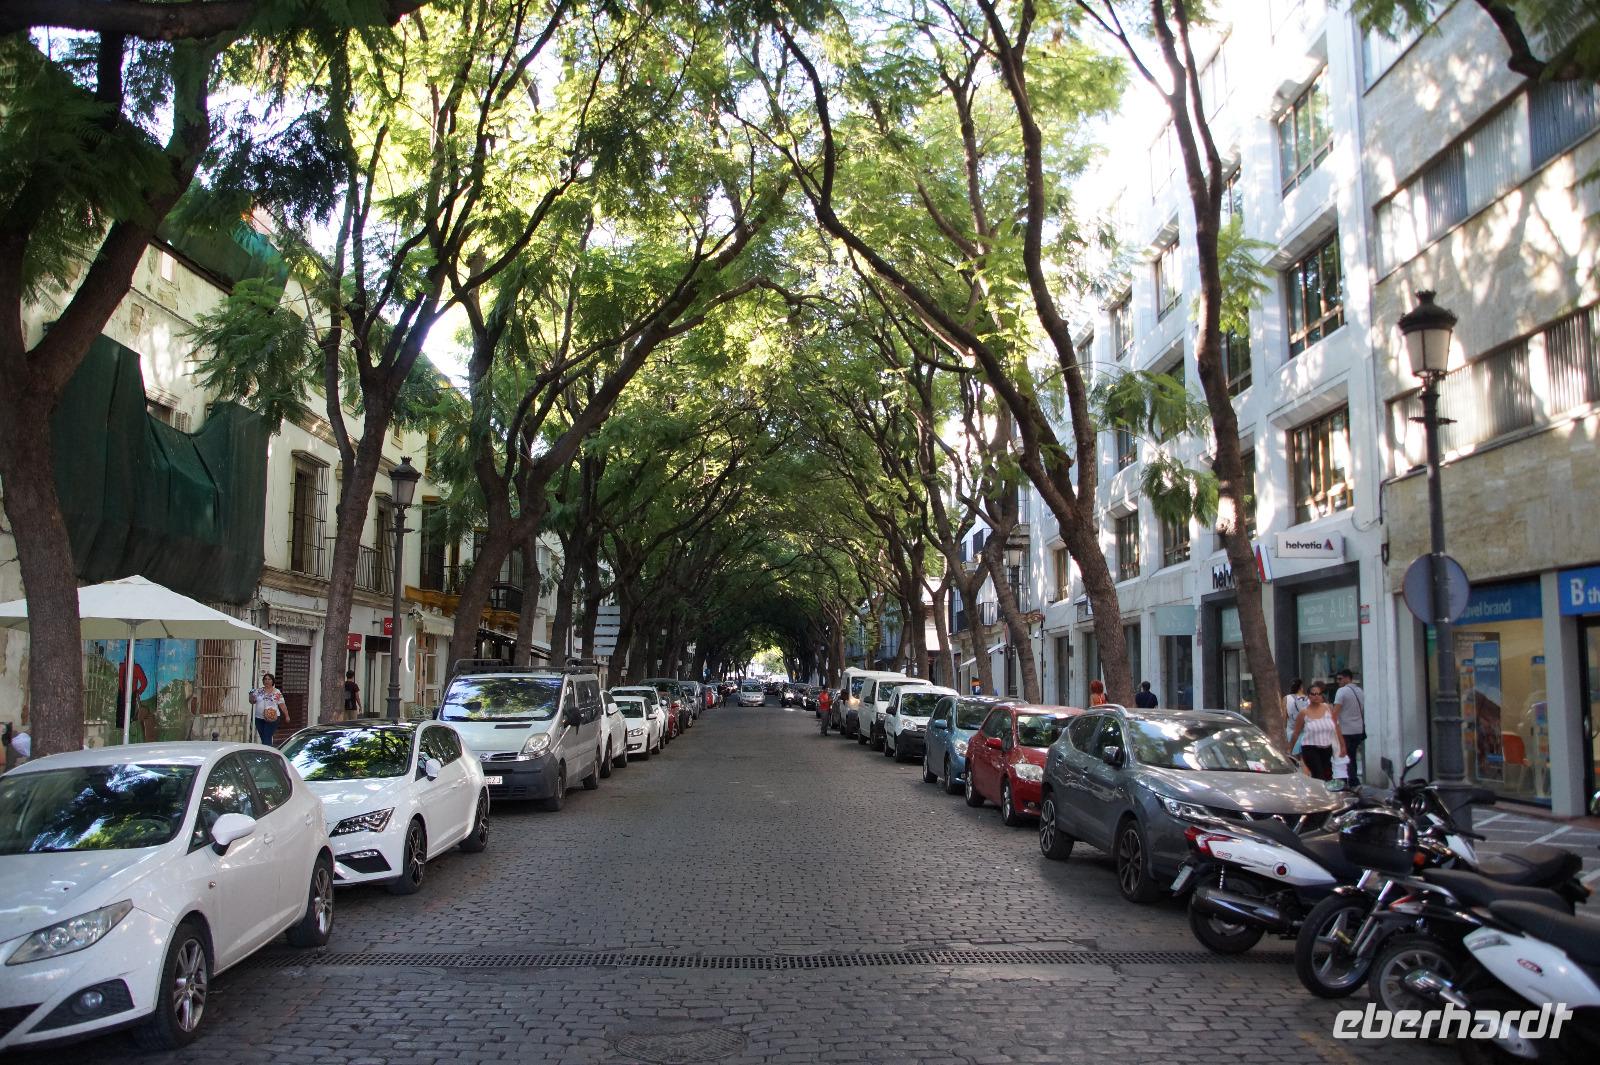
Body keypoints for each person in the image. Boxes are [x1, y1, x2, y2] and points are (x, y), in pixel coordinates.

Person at [1288, 682, 1345, 781]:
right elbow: (1296, 733)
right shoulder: (1304, 712)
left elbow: (1336, 727)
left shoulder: (1328, 708)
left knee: (1328, 776)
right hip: (1310, 748)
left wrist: (1342, 745)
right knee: (1319, 775)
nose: (1316, 696)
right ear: (1308, 696)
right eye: (1313, 694)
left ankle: (1321, 790)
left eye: (1319, 694)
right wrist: (1289, 750)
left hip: (1327, 748)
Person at [1333, 668, 1366, 787]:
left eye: (1340, 679)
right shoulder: (1360, 691)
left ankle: (1353, 781)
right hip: (1358, 730)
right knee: (1351, 756)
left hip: (1345, 730)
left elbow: (1335, 712)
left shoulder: (1342, 691)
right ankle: (1352, 781)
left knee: (1345, 757)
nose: (1338, 681)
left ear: (1347, 678)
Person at [251, 672, 287, 746]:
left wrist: (287, 715)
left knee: (267, 736)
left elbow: (282, 704)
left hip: (272, 718)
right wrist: (251, 696)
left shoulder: (277, 692)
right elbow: (252, 702)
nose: (267, 681)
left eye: (269, 679)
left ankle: (266, 751)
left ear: (272, 681)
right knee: (264, 737)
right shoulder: (258, 691)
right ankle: (269, 750)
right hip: (259, 718)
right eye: (265, 679)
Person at [1283, 679, 1309, 757]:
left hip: (1290, 733)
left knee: (1293, 758)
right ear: (1301, 687)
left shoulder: (1286, 698)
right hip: (1306, 734)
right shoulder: (1309, 699)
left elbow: (1284, 718)